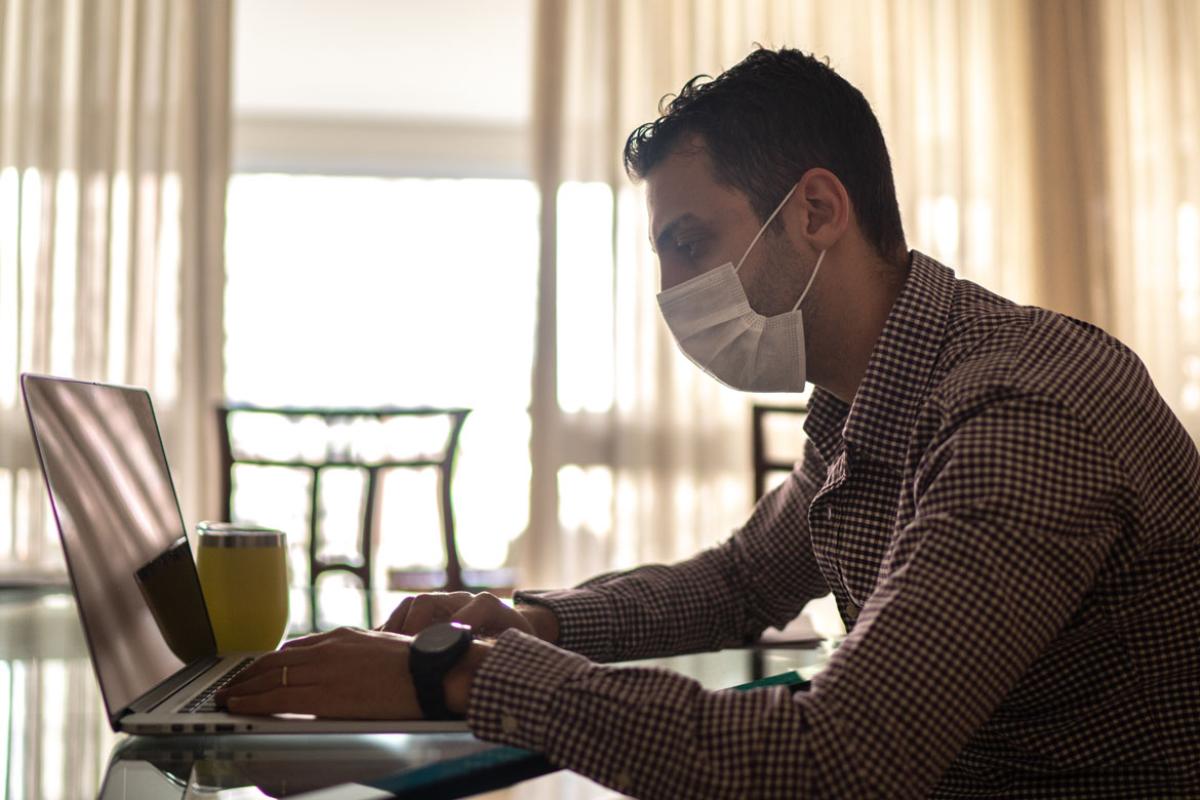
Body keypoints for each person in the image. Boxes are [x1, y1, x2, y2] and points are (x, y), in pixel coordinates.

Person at [218, 48, 1200, 798]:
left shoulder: (1017, 412)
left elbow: (841, 760)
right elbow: (737, 582)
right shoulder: (875, 401)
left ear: (816, 208)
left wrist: (463, 678)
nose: (672, 289)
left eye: (689, 241)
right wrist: (533, 621)